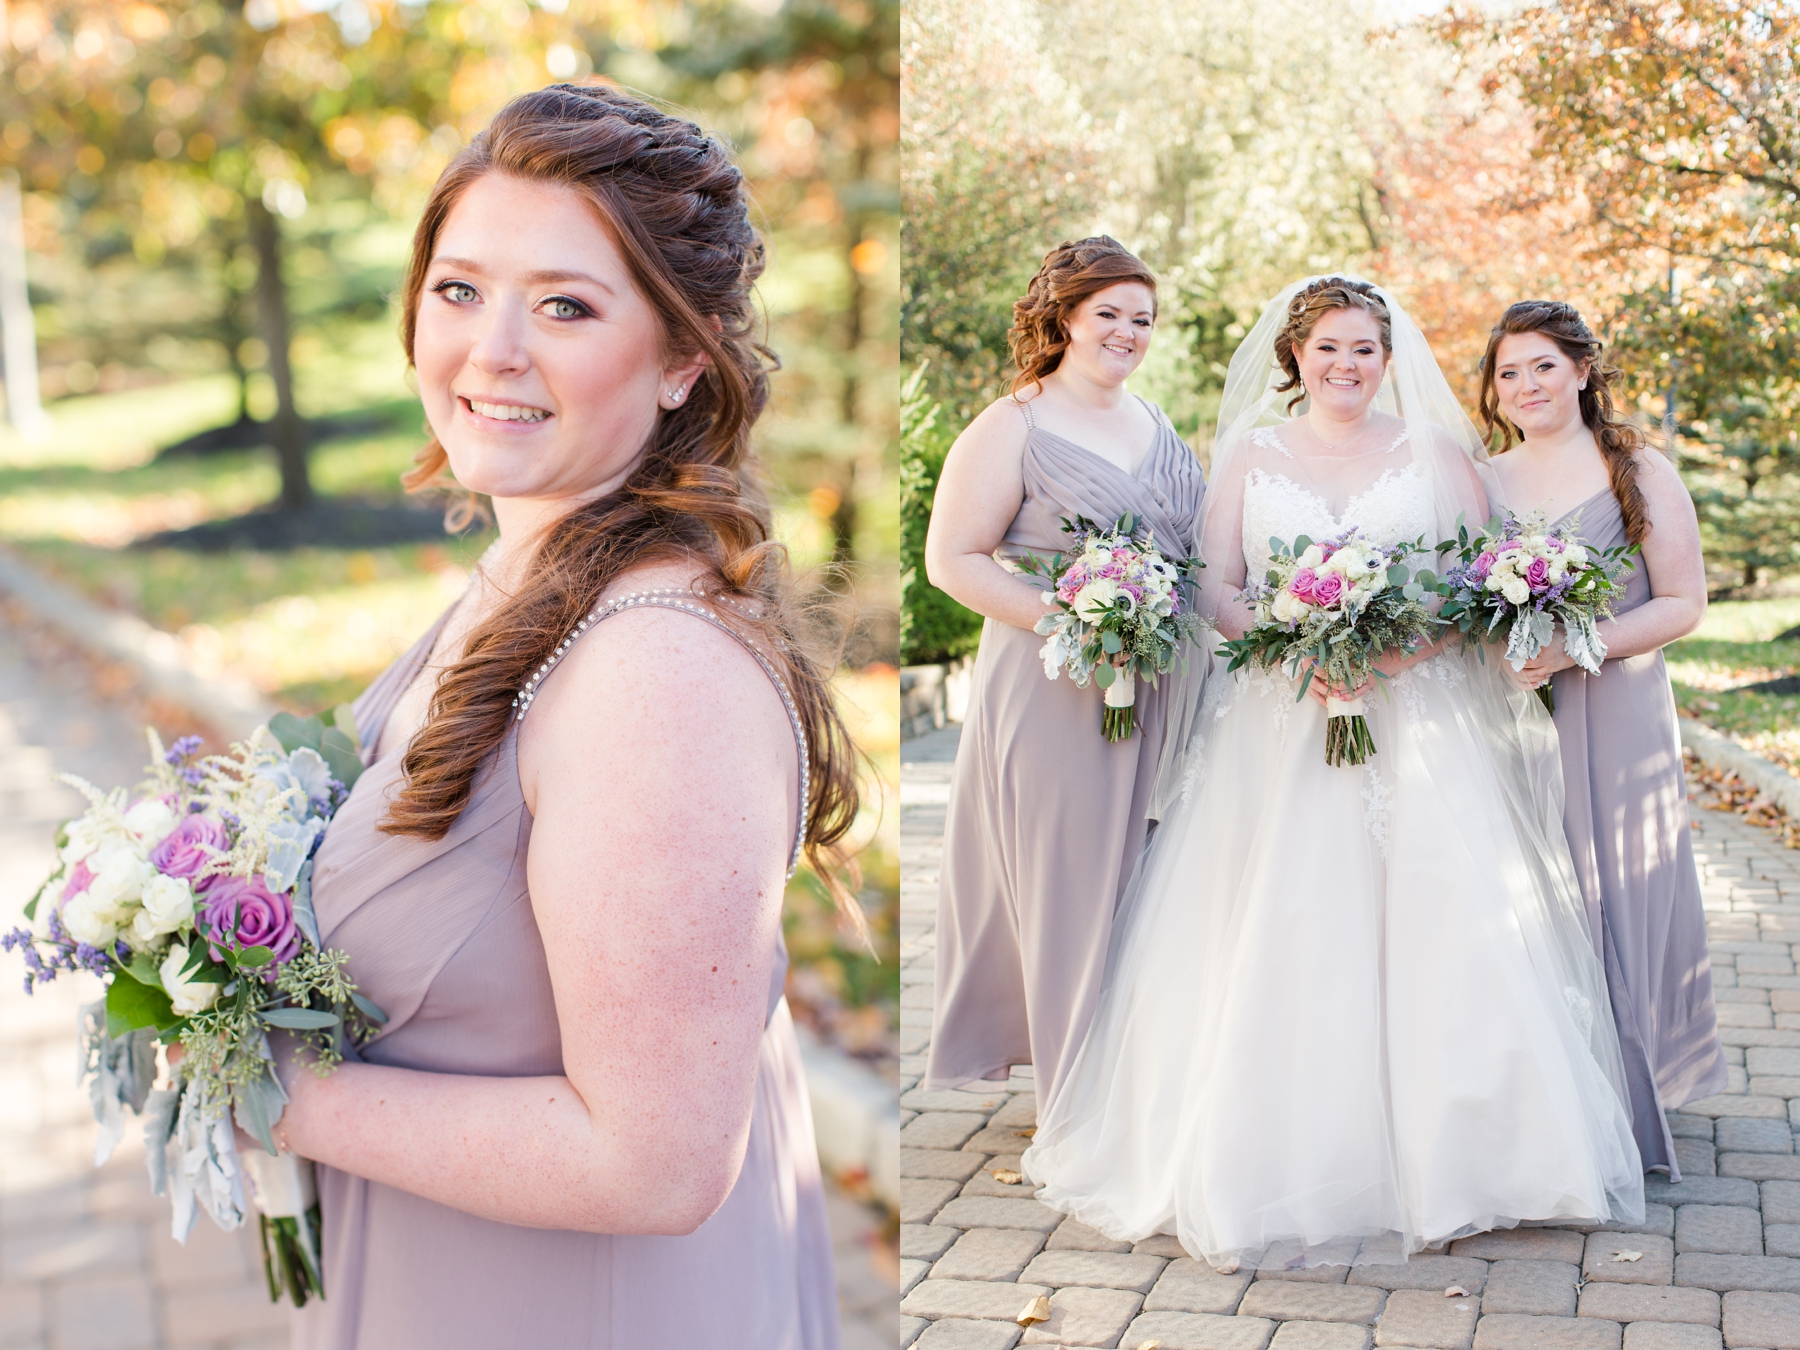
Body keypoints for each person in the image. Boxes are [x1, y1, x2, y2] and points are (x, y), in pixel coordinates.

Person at [270, 84, 857, 1348]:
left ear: (682, 359)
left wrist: (266, 1090)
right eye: (460, 288)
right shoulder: (531, 575)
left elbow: (651, 1163)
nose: (492, 351)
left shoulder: (659, 674)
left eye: (567, 306)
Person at [1023, 276, 1644, 1271]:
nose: (1347, 366)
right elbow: (1219, 585)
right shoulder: (1249, 455)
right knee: (1286, 914)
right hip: (1282, 714)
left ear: (1388, 361)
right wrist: (1291, 645)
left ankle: (1474, 1155)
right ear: (1295, 358)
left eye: (1365, 350)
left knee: (1442, 917)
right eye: (1329, 349)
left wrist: (1406, 646)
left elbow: (1469, 580)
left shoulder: (1440, 454)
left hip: (1419, 716)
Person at [921, 237, 1206, 1102]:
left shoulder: (1154, 422)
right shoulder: (1013, 424)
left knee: (1146, 871)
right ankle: (1075, 1095)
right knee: (1067, 874)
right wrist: (1080, 617)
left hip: (1158, 678)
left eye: (1142, 319)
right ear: (1066, 317)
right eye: (1108, 314)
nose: (1126, 333)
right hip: (1053, 683)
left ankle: (1130, 1076)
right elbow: (953, 561)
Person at [1481, 299, 1726, 1177]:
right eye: (1509, 372)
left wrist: (1577, 644)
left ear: (1582, 371)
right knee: (1529, 895)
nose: (1526, 385)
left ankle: (1624, 1093)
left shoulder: (1638, 468)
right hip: (1511, 714)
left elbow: (1681, 603)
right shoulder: (1487, 479)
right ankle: (1547, 1093)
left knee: (1615, 888)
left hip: (1615, 706)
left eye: (1543, 365)